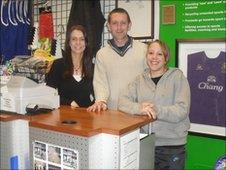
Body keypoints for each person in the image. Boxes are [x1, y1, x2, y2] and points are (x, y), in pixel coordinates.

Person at [118, 40, 191, 170]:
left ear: (166, 57)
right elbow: (122, 102)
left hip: (172, 147)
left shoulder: (177, 77)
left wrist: (156, 110)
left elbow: (182, 110)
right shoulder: (140, 79)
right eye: (151, 53)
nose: (154, 57)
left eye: (159, 54)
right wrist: (139, 108)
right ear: (146, 56)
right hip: (146, 144)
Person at [87, 8, 147, 112]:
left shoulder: (144, 50)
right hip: (112, 113)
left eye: (123, 23)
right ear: (109, 26)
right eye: (115, 23)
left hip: (138, 111)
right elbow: (100, 83)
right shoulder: (101, 54)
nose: (119, 27)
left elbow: (150, 80)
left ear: (129, 25)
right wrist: (101, 101)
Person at [46, 25, 94, 107]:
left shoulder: (92, 67)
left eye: (82, 39)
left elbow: (98, 95)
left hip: (87, 116)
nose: (78, 43)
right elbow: (48, 92)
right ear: (69, 42)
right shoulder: (58, 64)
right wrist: (69, 102)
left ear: (86, 43)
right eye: (74, 39)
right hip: (64, 116)